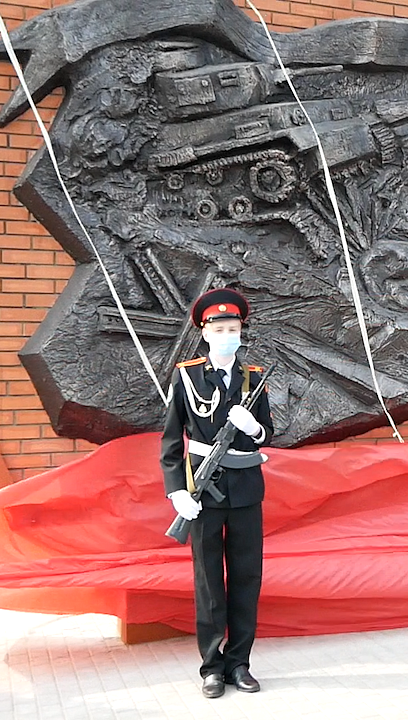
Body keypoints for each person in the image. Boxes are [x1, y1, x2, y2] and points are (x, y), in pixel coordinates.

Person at [161, 288, 274, 698]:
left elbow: (268, 434)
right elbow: (172, 441)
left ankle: (239, 664)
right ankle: (211, 666)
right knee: (208, 581)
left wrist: (252, 429)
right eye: (219, 328)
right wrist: (177, 492)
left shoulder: (255, 378)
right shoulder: (186, 375)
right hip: (202, 492)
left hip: (245, 491)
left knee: (246, 578)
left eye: (234, 328)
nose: (228, 334)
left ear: (242, 331)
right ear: (205, 333)